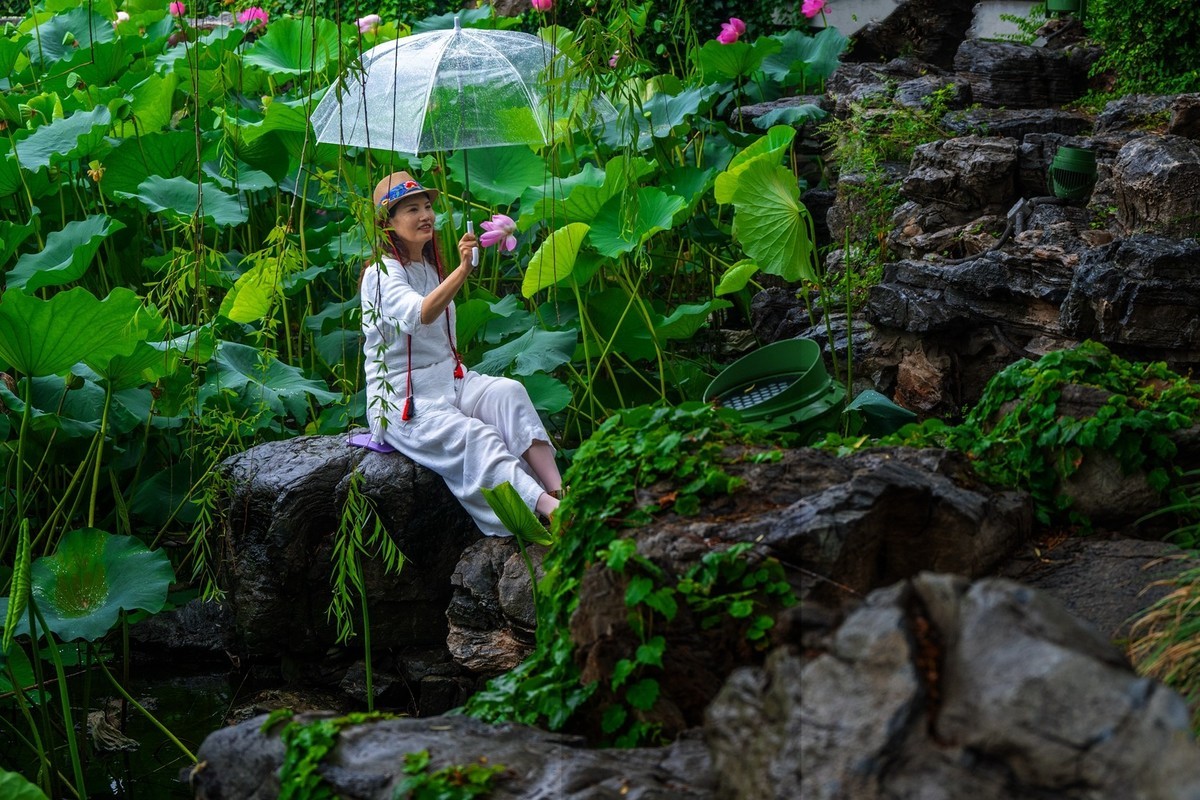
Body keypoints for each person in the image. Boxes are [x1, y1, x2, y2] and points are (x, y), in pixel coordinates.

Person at [359, 171, 563, 535]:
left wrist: (456, 270)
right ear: (386, 224)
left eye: (426, 207)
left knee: (509, 392)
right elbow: (420, 314)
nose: (425, 216)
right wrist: (462, 270)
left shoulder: (426, 267)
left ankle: (559, 490)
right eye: (411, 209)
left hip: (451, 381)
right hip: (404, 400)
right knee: (477, 436)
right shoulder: (380, 274)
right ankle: (550, 512)